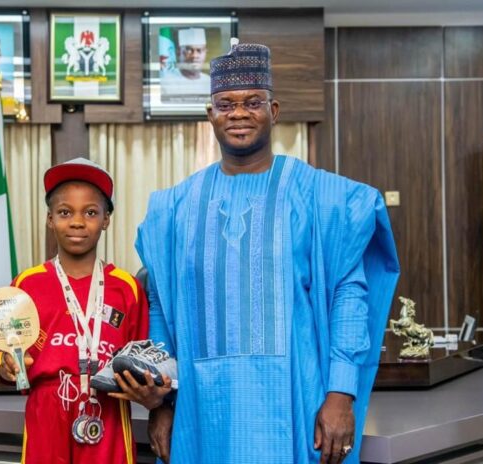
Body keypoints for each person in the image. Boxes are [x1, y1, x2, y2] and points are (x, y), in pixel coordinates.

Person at [120, 41, 400, 463]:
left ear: (274, 110)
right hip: (201, 411)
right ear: (209, 114)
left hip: (296, 403)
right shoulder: (174, 208)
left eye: (253, 101)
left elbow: (349, 293)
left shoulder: (319, 196)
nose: (238, 113)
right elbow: (159, 305)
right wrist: (163, 404)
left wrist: (342, 393)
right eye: (225, 103)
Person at [0, 158, 149, 463]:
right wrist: (6, 364)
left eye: (90, 212)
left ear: (106, 219)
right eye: (65, 212)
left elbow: (142, 355)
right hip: (46, 408)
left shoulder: (126, 287)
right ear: (50, 219)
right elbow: (5, 349)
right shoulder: (27, 283)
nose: (77, 222)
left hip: (108, 410)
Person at [160, 28, 210, 100]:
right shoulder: (166, 82)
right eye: (189, 50)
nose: (194, 56)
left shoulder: (210, 82)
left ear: (205, 53)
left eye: (199, 50)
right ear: (178, 52)